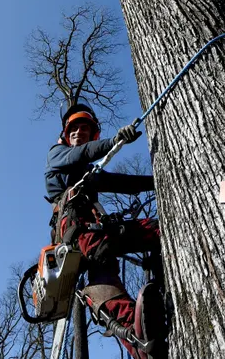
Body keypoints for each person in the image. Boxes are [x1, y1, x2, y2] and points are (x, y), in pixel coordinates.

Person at [45, 101, 161, 359]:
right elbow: (81, 154)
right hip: (77, 234)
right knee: (102, 262)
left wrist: (159, 181)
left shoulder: (88, 172)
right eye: (74, 129)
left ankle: (151, 314)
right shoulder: (57, 155)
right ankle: (137, 335)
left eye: (84, 129)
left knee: (155, 231)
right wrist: (114, 142)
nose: (78, 133)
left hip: (99, 232)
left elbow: (120, 182)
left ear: (92, 133)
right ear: (66, 134)